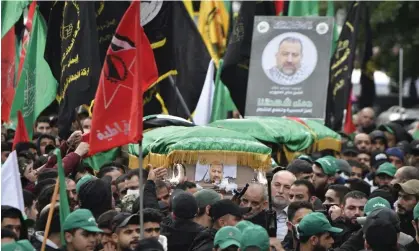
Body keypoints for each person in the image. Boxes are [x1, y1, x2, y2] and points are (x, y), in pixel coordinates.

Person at [271, 170, 296, 241]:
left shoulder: (295, 215)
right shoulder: (258, 209)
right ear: (269, 186)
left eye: (287, 187)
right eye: (277, 185)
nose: (281, 191)